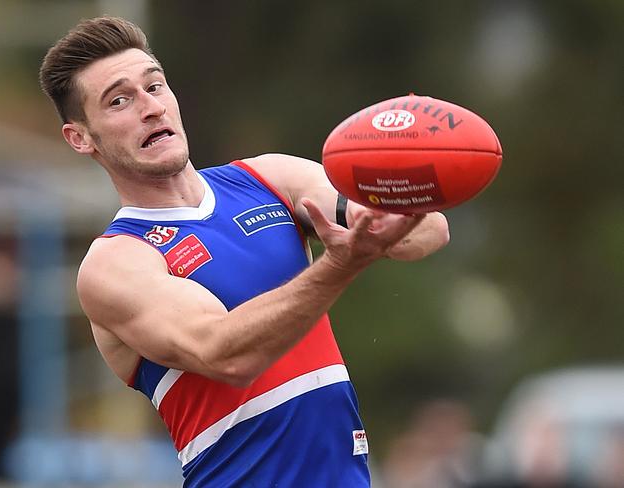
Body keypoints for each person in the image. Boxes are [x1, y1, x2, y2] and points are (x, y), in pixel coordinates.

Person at [39, 16, 449, 487]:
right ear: (81, 137)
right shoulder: (116, 263)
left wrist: (402, 201)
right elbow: (226, 355)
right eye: (119, 101)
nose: (150, 108)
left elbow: (428, 232)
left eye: (155, 86)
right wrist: (342, 263)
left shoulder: (270, 179)